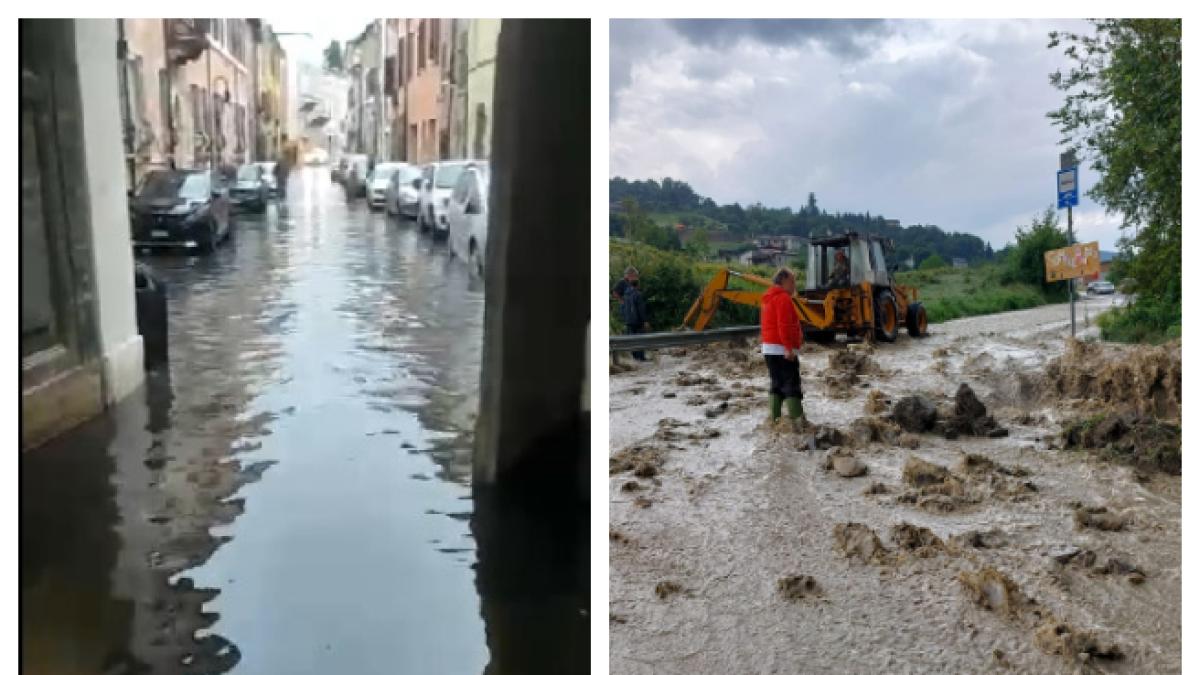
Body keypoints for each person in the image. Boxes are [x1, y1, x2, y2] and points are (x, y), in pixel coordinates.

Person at [761, 267, 807, 427]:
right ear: (783, 281)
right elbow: (784, 325)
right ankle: (799, 425)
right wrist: (788, 348)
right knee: (791, 385)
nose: (795, 285)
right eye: (792, 281)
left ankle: (774, 423)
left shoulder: (768, 298)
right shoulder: (783, 298)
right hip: (782, 349)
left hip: (769, 349)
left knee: (776, 384)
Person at [620, 277, 650, 362]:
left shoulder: (625, 295)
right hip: (637, 321)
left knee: (632, 339)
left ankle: (635, 357)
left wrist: (625, 318)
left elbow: (622, 308)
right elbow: (641, 309)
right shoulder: (637, 294)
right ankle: (641, 357)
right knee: (640, 338)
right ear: (637, 285)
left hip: (628, 321)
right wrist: (645, 321)